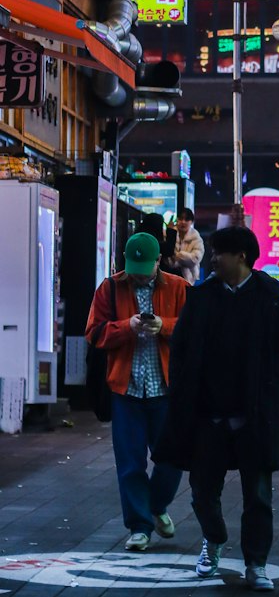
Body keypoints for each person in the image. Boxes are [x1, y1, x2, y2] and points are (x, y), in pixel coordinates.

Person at [159, 225, 279, 590]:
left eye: (220, 252)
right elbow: (183, 350)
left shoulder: (270, 298)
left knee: (258, 494)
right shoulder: (202, 297)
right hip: (207, 414)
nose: (213, 259)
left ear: (241, 256)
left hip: (255, 413)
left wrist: (274, 396)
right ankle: (214, 538)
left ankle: (257, 563)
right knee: (203, 492)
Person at [85, 232, 187, 552]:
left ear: (159, 261)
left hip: (165, 390)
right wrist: (125, 327)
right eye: (133, 267)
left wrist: (165, 327)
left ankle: (155, 505)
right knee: (129, 463)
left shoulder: (179, 288)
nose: (138, 274)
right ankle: (140, 526)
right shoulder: (110, 288)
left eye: (145, 266)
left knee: (172, 458)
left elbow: (196, 329)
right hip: (125, 389)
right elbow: (94, 333)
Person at [163, 208, 205, 286]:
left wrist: (178, 255)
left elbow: (196, 258)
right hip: (168, 277)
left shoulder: (196, 237)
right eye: (180, 219)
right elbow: (165, 258)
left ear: (191, 222)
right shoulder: (169, 235)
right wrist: (185, 259)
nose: (183, 222)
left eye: (186, 219)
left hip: (188, 279)